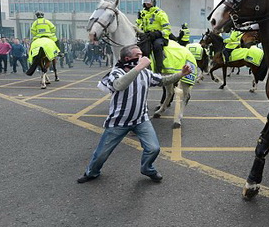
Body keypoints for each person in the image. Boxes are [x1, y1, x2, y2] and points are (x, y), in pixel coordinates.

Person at [77, 44, 192, 184]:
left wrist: (181, 74)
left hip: (141, 119)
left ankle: (147, 168)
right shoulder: (116, 72)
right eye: (138, 55)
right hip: (119, 121)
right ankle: (92, 172)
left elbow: (163, 80)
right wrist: (139, 67)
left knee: (153, 148)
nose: (142, 57)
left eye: (141, 55)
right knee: (101, 153)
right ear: (127, 58)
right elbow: (119, 85)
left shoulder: (145, 73)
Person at [136, 0, 172, 73]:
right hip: (147, 36)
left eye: (149, 1)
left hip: (159, 37)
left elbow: (168, 29)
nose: (147, 3)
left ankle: (159, 69)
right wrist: (138, 20)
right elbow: (137, 26)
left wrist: (158, 33)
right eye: (145, 1)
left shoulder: (160, 13)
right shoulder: (142, 13)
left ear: (154, 2)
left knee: (157, 45)